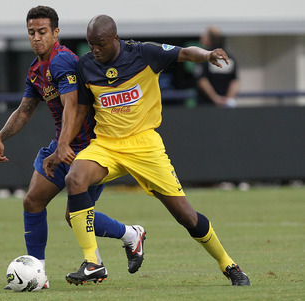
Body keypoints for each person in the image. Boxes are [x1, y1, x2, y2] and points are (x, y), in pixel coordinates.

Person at [49, 15, 250, 286]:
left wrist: (207, 54)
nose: (94, 50)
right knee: (74, 179)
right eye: (90, 44)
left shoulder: (144, 53)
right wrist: (62, 145)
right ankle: (93, 262)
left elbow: (184, 53)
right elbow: (81, 110)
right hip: (107, 144)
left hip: (144, 145)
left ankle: (229, 264)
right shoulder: (86, 65)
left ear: (115, 39)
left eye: (100, 44)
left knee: (186, 216)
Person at [0, 6, 146, 289]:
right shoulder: (37, 68)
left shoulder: (62, 61)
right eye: (31, 32)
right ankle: (37, 274)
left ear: (55, 33)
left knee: (73, 217)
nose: (36, 38)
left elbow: (73, 106)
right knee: (33, 201)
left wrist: (62, 146)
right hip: (62, 146)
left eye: (42, 32)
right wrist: (1, 135)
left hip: (89, 150)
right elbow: (25, 109)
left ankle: (130, 235)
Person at [194, 26, 240, 107]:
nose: (201, 38)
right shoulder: (230, 58)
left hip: (206, 105)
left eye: (204, 36)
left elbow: (202, 81)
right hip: (224, 106)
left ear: (208, 39)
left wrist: (216, 99)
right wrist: (228, 100)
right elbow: (234, 81)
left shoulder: (204, 58)